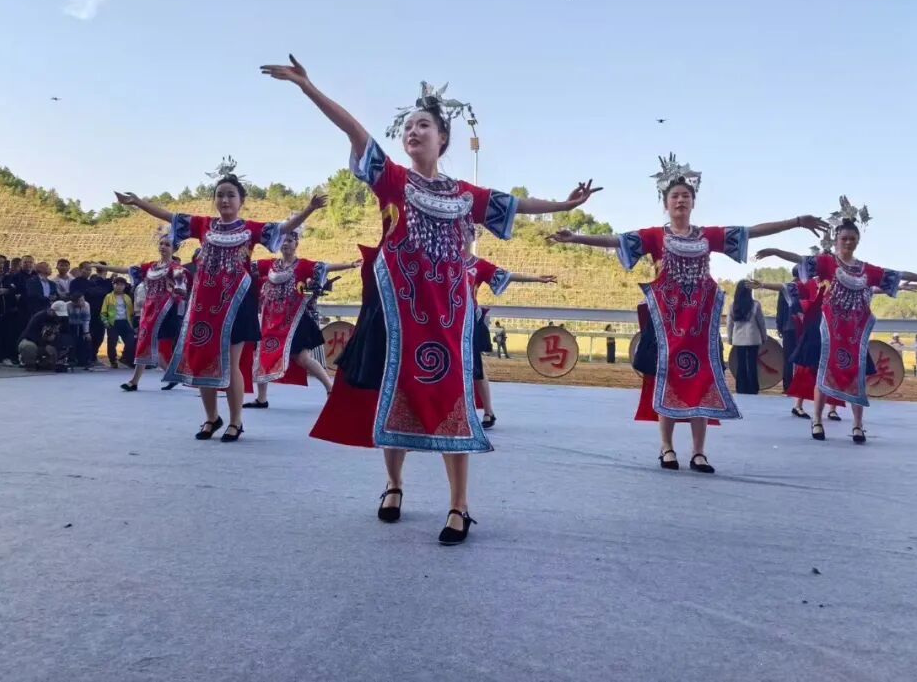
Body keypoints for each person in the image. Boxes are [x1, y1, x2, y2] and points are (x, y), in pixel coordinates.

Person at [263, 56, 600, 543]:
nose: (413, 131)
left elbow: (516, 204)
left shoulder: (465, 195)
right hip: (398, 314)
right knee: (391, 392)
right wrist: (307, 87)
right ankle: (393, 484)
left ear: (443, 138)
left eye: (423, 125)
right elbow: (355, 131)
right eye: (407, 126)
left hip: (450, 315)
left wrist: (565, 205)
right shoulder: (392, 180)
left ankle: (459, 505)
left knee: (452, 398)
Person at [549, 153, 827, 473]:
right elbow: (615, 239)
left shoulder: (708, 236)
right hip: (668, 326)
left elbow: (751, 231)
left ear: (693, 202)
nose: (680, 200)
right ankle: (667, 447)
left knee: (702, 382)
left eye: (685, 196)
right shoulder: (654, 236)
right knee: (666, 380)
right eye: (675, 196)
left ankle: (699, 452)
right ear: (665, 203)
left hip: (700, 326)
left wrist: (796, 222)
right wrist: (577, 237)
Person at [114, 180, 318, 443]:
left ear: (241, 200)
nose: (225, 200)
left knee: (231, 363)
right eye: (220, 195)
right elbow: (169, 216)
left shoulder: (251, 229)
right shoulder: (204, 225)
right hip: (204, 307)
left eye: (231, 195)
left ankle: (235, 421)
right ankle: (212, 417)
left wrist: (309, 209)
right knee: (202, 361)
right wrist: (137, 202)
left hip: (237, 305)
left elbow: (283, 228)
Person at [756, 205, 917, 444]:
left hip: (854, 333)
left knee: (857, 375)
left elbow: (897, 274)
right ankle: (817, 420)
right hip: (830, 329)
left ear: (857, 241)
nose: (848, 242)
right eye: (844, 238)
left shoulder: (866, 270)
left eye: (852, 238)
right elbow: (800, 260)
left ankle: (858, 425)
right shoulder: (827, 263)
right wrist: (775, 251)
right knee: (823, 372)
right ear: (837, 240)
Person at [244, 225, 357, 407]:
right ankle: (261, 399)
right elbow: (247, 267)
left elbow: (325, 267)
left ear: (296, 244)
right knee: (262, 356)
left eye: (289, 240)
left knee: (303, 358)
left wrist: (350, 265)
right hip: (271, 320)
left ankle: (330, 388)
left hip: (295, 320)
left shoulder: (304, 266)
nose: (285, 244)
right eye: (283, 240)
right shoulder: (269, 265)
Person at [464, 240, 556, 429]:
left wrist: (536, 278)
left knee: (476, 367)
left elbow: (507, 276)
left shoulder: (479, 265)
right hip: (443, 320)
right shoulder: (442, 261)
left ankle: (488, 411)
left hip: (469, 322)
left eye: (465, 231)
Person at [106, 234, 190, 391]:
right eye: (161, 243)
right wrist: (105, 267)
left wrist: (174, 288)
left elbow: (182, 291)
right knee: (147, 344)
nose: (163, 247)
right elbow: (128, 269)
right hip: (149, 309)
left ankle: (134, 381)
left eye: (167, 245)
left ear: (174, 249)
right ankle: (169, 375)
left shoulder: (176, 269)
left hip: (165, 311)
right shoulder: (151, 267)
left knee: (147, 343)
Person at [727, 281, 766, 394]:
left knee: (741, 364)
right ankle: (753, 388)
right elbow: (761, 322)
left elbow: (729, 324)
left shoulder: (733, 306)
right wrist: (764, 336)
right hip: (753, 338)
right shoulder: (756, 305)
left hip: (739, 340)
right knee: (752, 364)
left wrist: (730, 338)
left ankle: (741, 388)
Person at [18, 301, 70, 370]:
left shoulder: (63, 319)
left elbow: (66, 333)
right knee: (27, 346)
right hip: (35, 342)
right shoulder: (38, 317)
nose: (59, 317)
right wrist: (45, 344)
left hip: (52, 344)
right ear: (51, 311)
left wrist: (55, 342)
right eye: (57, 314)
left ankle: (45, 363)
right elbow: (30, 334)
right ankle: (29, 362)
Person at [100, 277, 136, 369]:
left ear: (124, 286)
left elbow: (131, 312)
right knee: (112, 343)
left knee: (130, 342)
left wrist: (133, 323)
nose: (119, 287)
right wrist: (106, 322)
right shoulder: (108, 297)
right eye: (117, 284)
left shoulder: (127, 297)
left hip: (126, 322)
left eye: (121, 285)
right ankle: (113, 360)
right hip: (113, 322)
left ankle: (126, 358)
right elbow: (103, 312)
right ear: (113, 285)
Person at [67, 292, 93, 367]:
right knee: (72, 341)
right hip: (70, 325)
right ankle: (71, 359)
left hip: (82, 324)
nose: (83, 302)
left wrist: (86, 332)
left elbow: (86, 320)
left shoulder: (86, 305)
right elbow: (66, 320)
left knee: (85, 340)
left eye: (83, 299)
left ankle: (84, 360)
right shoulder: (67, 305)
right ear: (74, 302)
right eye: (81, 300)